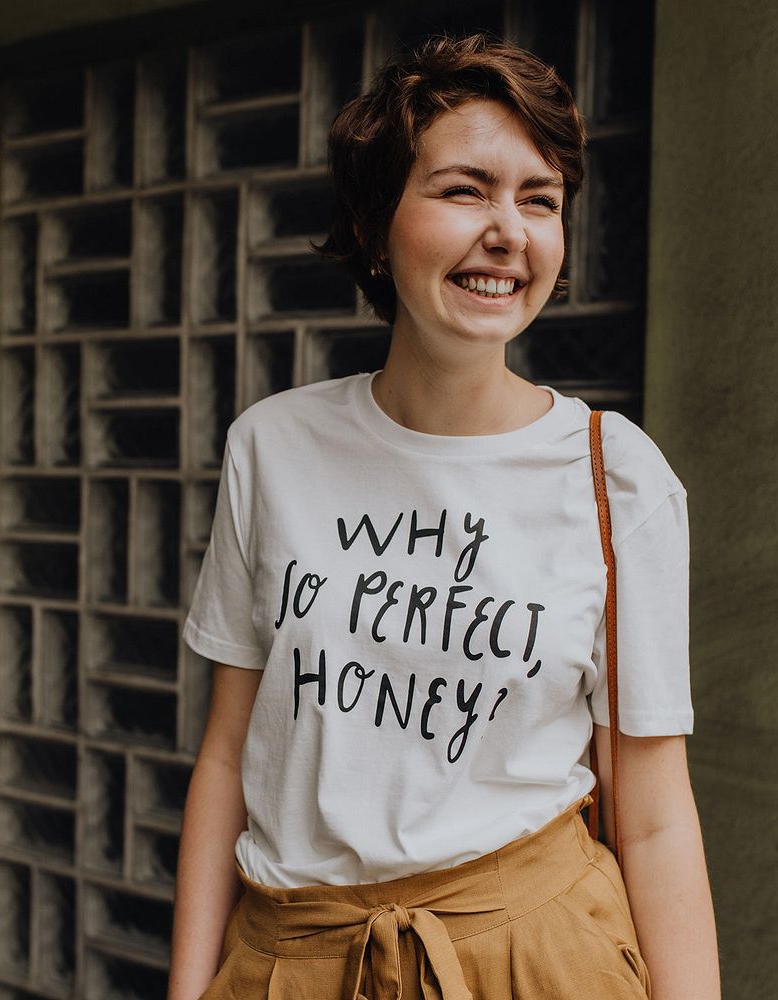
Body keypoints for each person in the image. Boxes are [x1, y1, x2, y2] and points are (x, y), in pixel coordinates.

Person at [167, 32, 720, 1000]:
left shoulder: (613, 475)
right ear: (377, 224)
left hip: (535, 956)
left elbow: (653, 812)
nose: (508, 229)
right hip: (289, 956)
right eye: (465, 189)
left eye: (539, 199)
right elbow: (225, 754)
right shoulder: (274, 445)